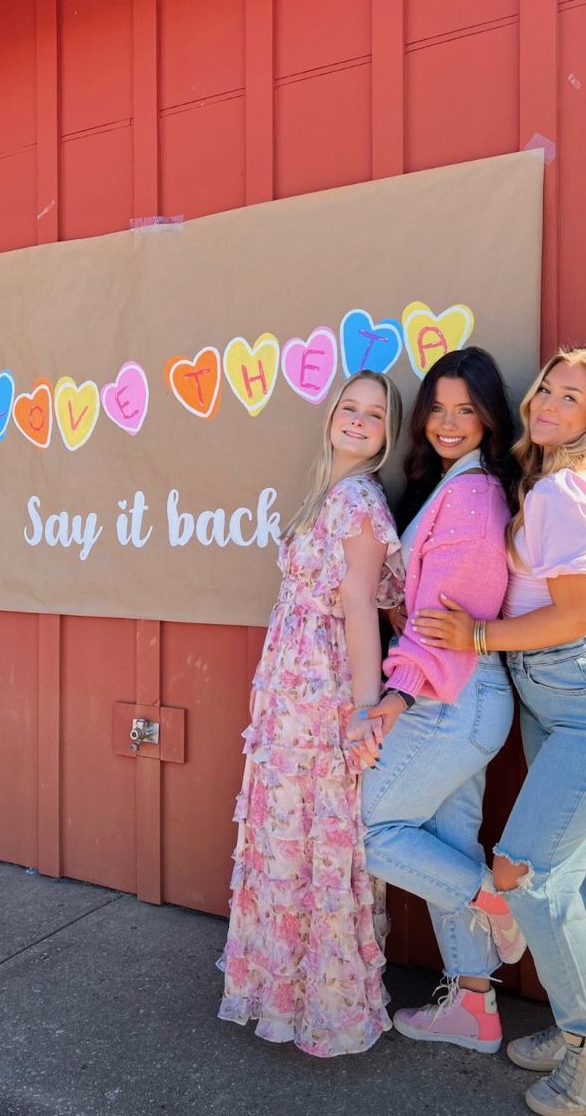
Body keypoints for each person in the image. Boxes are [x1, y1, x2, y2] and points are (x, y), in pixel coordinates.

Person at [412, 346, 586, 1116]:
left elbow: (572, 613)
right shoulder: (540, 479)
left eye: (574, 398)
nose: (551, 405)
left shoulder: (568, 487)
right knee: (585, 875)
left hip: (582, 700)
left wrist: (475, 638)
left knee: (525, 875)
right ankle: (585, 1040)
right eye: (548, 389)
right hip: (552, 699)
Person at [218, 368, 405, 1057]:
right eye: (349, 407)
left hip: (321, 693)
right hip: (290, 691)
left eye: (374, 415)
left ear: (388, 434)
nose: (357, 420)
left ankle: (322, 1002)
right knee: (288, 835)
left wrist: (363, 711)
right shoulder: (328, 492)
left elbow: (361, 605)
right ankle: (285, 994)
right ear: (331, 415)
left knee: (314, 837)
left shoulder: (357, 500)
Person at [349, 346, 524, 1055]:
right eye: (439, 410)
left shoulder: (475, 493)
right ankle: (475, 1006)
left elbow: (451, 615)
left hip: (454, 699)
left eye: (467, 411)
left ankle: (495, 898)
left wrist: (396, 696)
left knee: (365, 830)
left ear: (488, 417)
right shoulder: (455, 481)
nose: (450, 424)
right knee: (444, 844)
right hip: (459, 698)